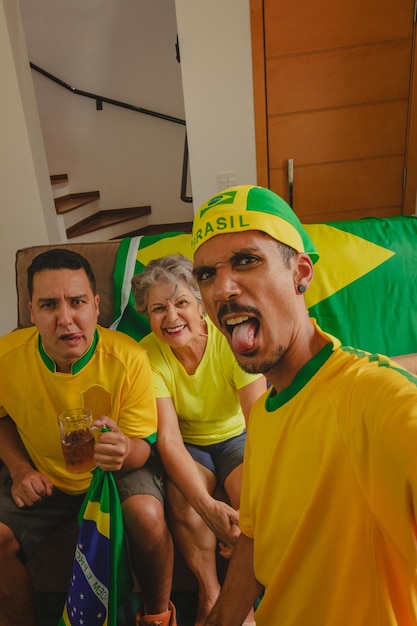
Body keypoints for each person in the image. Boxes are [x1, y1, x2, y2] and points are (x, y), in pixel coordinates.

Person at [189, 184, 417, 626]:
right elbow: (254, 539)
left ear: (301, 272)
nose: (223, 289)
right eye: (206, 275)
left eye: (246, 260)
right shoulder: (265, 412)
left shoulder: (371, 398)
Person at [0, 248, 176, 626]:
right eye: (49, 305)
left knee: (146, 515)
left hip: (116, 472)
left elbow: (143, 449)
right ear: (31, 311)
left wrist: (123, 449)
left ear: (96, 306)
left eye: (77, 302)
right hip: (45, 475)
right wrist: (18, 469)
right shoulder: (6, 357)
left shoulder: (128, 357)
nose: (66, 320)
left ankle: (158, 616)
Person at [131, 254, 266, 626]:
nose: (171, 317)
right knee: (185, 501)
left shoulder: (231, 340)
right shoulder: (146, 356)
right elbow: (170, 441)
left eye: (181, 303)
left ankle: (246, 604)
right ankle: (211, 592)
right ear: (147, 315)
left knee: (249, 496)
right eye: (158, 308)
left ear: (202, 305)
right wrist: (207, 505)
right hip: (190, 444)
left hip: (236, 436)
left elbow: (259, 423)